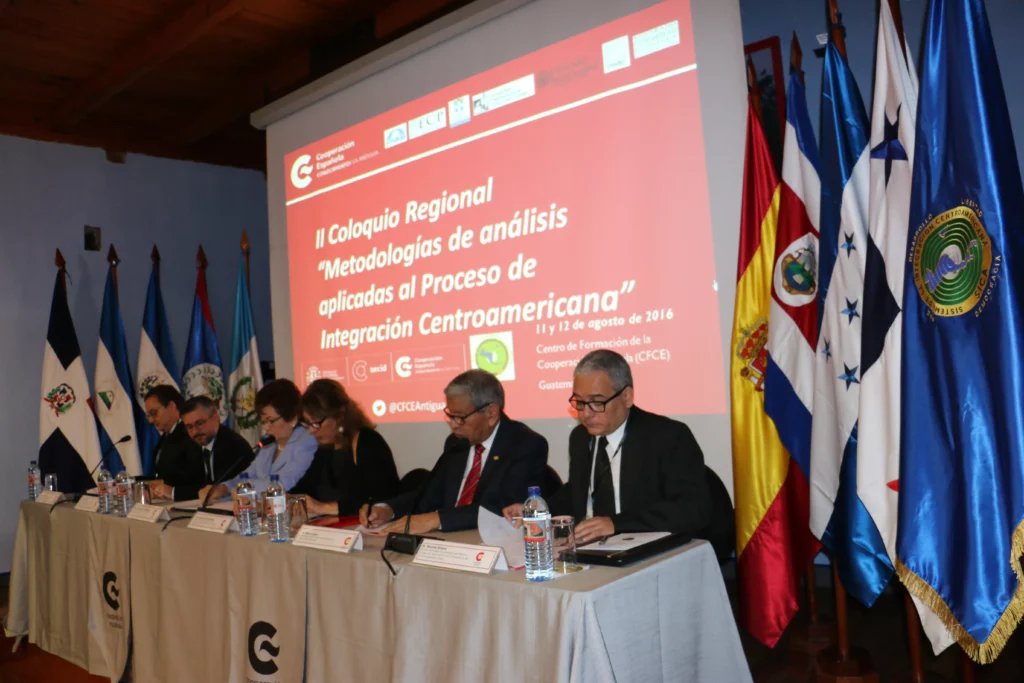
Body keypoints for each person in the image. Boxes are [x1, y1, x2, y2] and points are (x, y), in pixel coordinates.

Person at [503, 349, 723, 548]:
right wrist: (538, 510)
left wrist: (616, 523)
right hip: (588, 549)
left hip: (647, 549)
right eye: (579, 402)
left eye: (597, 402)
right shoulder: (580, 437)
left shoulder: (667, 436)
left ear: (626, 397)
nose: (585, 414)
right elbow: (577, 493)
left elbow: (693, 509)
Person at [360, 369, 548, 534]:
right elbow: (427, 494)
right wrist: (388, 509)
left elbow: (502, 506)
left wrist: (436, 519)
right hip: (449, 541)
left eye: (459, 417)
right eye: (450, 415)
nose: (453, 424)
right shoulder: (456, 443)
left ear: (491, 413)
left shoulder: (526, 444)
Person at [289, 379, 400, 516]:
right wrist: (288, 498)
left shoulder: (367, 441)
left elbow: (382, 500)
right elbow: (303, 488)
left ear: (339, 415)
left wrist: (324, 507)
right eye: (307, 423)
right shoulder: (325, 449)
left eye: (316, 423)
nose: (311, 430)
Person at [198, 379, 317, 502]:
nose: (266, 427)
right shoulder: (270, 443)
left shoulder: (307, 441)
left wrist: (244, 489)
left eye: (271, 421)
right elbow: (249, 474)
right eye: (263, 422)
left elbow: (284, 483)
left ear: (292, 418)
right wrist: (224, 488)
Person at [174, 395, 254, 502]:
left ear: (215, 417)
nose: (195, 431)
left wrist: (174, 492)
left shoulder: (233, 446)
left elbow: (220, 488)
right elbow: (194, 483)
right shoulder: (194, 445)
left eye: (199, 423)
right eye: (189, 427)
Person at [145, 385, 206, 501]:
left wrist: (173, 492)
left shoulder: (190, 434)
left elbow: (201, 482)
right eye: (149, 415)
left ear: (171, 406)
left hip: (189, 505)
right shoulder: (166, 436)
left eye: (154, 413)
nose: (151, 420)